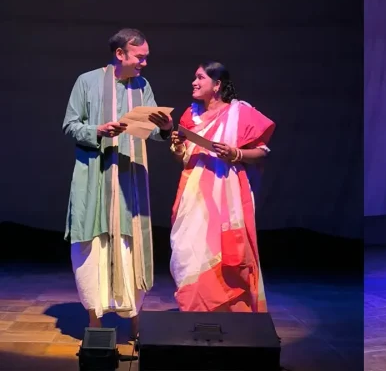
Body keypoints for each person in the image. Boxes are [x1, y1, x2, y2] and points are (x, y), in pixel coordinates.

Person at [63, 28, 173, 337]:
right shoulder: (87, 81)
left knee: (130, 247)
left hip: (129, 182)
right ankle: (95, 323)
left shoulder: (142, 86)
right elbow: (70, 125)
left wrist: (165, 128)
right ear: (120, 54)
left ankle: (136, 322)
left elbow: (151, 130)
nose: (144, 63)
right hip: (94, 179)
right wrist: (98, 130)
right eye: (140, 57)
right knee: (91, 248)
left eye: (146, 58)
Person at [169, 61, 275, 312]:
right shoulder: (190, 115)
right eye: (194, 77)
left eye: (200, 78)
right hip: (193, 194)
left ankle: (227, 312)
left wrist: (236, 153)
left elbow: (261, 152)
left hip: (226, 194)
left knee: (227, 252)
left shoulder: (240, 113)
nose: (194, 83)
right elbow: (182, 156)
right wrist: (178, 146)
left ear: (217, 85)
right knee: (188, 251)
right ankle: (195, 311)